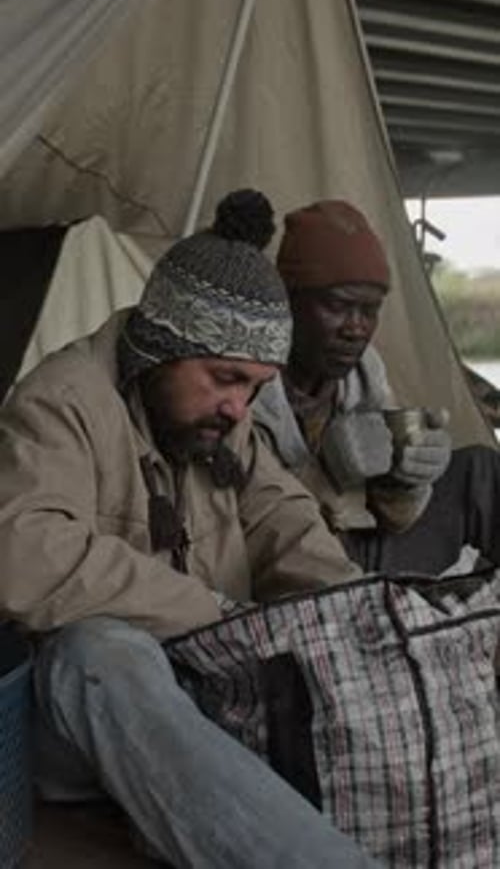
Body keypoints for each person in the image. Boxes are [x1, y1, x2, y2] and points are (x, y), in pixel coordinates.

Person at [0, 190, 381, 869]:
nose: (238, 406)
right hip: (72, 720)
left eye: (257, 386)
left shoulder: (224, 421)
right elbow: (22, 554)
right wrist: (211, 614)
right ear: (159, 349)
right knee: (102, 652)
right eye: (224, 378)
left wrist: (358, 608)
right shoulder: (61, 402)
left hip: (199, 693)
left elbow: (283, 521)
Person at [253, 198, 500, 575]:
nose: (356, 328)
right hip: (298, 563)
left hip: (362, 541)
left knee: (480, 470)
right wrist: (324, 472)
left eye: (369, 311)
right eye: (337, 306)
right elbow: (249, 516)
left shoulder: (364, 372)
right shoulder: (248, 379)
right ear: (289, 299)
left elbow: (395, 520)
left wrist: (406, 479)